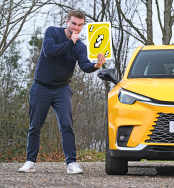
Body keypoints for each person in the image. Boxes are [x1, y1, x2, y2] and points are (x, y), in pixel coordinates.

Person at [18, 10, 105, 174]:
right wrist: (70, 42)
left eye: (80, 25)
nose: (76, 28)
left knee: (66, 125)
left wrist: (96, 65)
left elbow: (85, 66)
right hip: (41, 87)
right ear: (67, 21)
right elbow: (49, 52)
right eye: (74, 24)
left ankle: (71, 163)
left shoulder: (80, 46)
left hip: (61, 89)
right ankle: (30, 162)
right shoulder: (52, 32)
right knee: (35, 126)